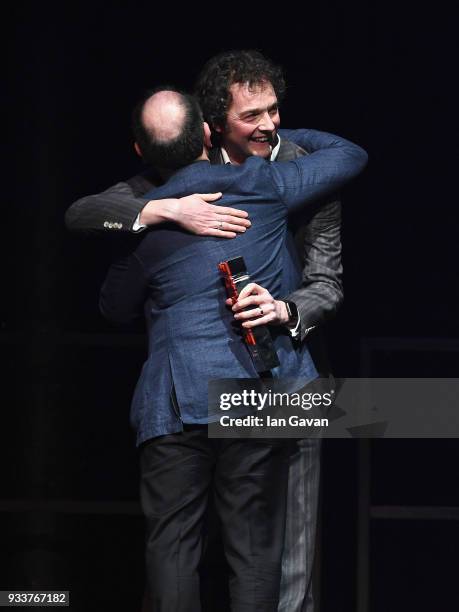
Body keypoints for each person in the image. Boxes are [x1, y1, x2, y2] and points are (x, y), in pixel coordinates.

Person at [65, 51, 346, 612]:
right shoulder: (167, 181)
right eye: (252, 116)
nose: (269, 125)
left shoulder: (298, 171)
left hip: (288, 379)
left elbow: (328, 282)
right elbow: (84, 213)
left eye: (275, 112)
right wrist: (165, 211)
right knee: (242, 549)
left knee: (287, 561)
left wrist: (286, 309)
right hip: (211, 390)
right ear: (213, 126)